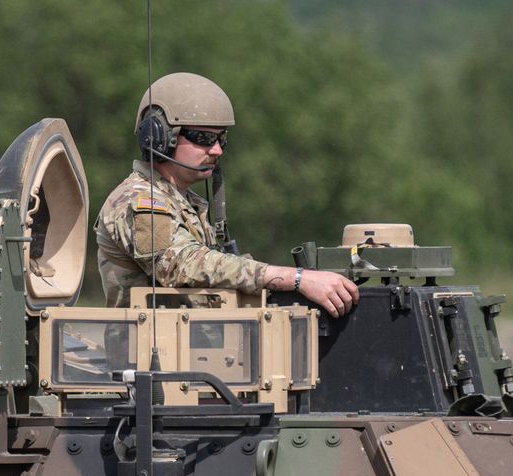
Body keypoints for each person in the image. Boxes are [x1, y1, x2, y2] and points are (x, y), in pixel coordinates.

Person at [94, 72, 358, 317]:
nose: (217, 150)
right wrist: (298, 279)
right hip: (147, 357)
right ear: (160, 137)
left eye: (221, 139)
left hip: (190, 349)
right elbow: (183, 265)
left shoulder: (186, 202)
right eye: (204, 138)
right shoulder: (137, 201)